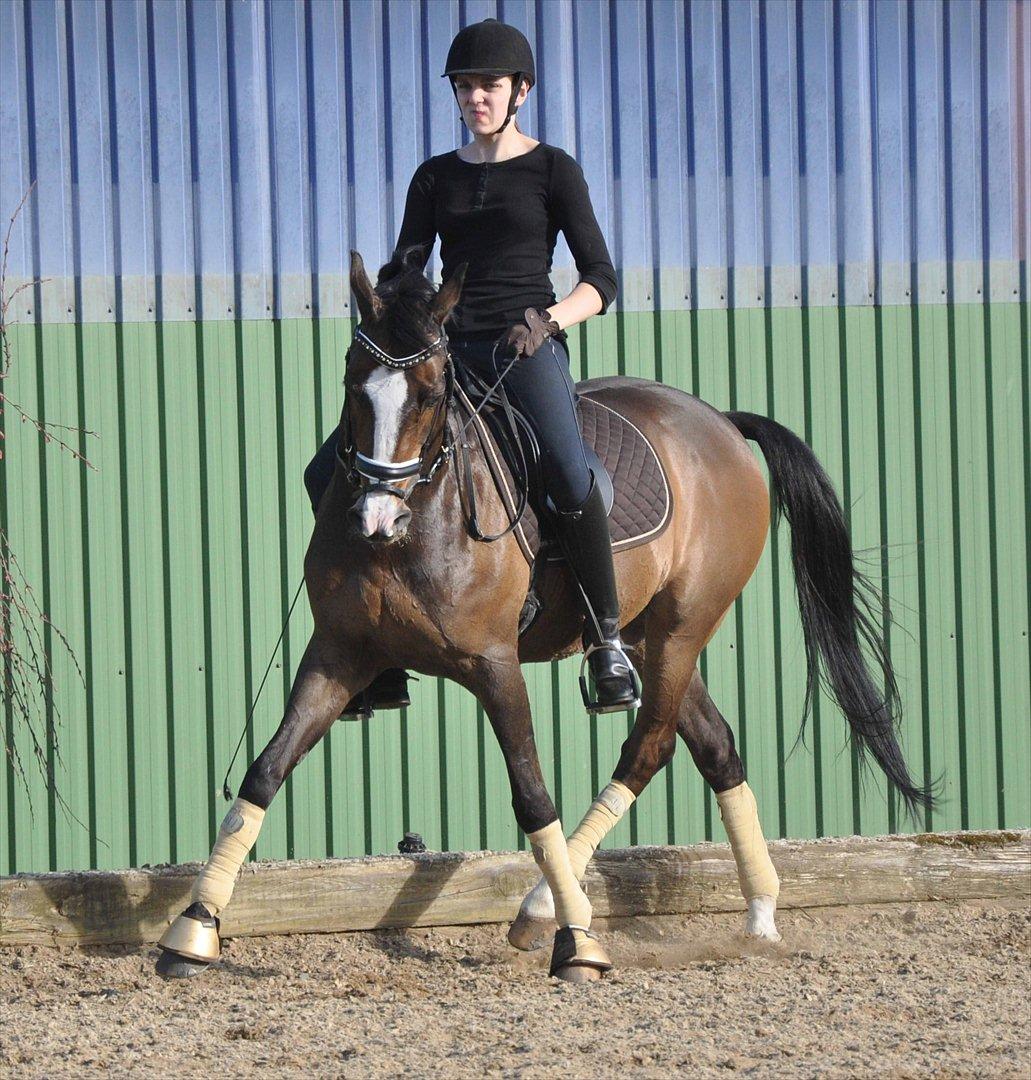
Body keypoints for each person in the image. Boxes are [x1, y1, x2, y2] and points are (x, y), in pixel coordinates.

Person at [305, 18, 640, 716]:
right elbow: (407, 263)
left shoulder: (553, 170)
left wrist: (548, 321)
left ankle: (607, 640)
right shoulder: (434, 176)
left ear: (519, 91)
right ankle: (374, 649)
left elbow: (601, 278)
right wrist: (395, 302)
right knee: (325, 471)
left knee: (570, 473)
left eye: (487, 85)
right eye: (464, 87)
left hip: (524, 345)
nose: (475, 97)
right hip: (446, 354)